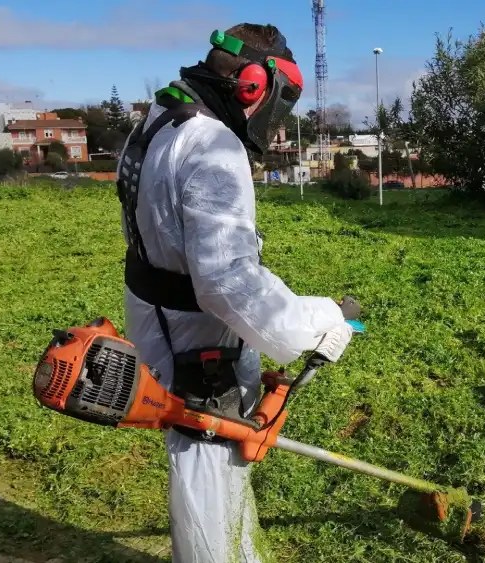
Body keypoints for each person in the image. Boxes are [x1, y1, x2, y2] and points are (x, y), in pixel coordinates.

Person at [115, 23, 357, 563]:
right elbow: (227, 281)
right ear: (252, 85)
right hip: (196, 334)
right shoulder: (213, 145)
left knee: (204, 451)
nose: (275, 116)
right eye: (280, 97)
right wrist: (315, 321)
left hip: (158, 308)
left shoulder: (161, 118)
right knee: (210, 454)